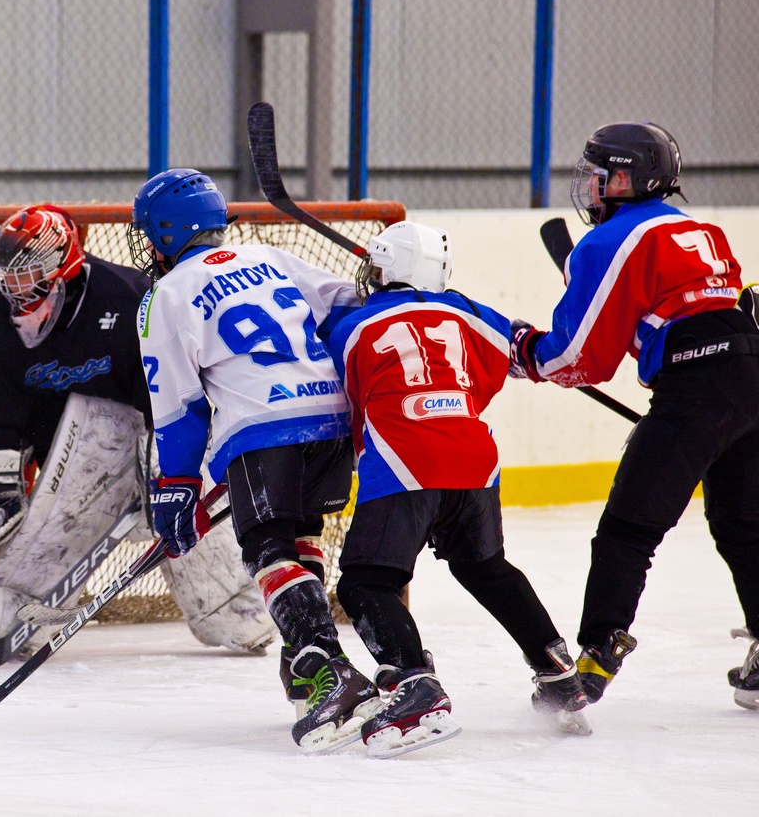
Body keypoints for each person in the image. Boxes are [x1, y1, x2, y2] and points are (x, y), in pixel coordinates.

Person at [0, 204, 275, 657]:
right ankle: (37, 609)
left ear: (64, 263)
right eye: (8, 276)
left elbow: (175, 383)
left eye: (29, 273)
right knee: (1, 618)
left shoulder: (129, 297)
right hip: (75, 461)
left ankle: (233, 604)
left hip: (159, 443)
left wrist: (167, 462)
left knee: (241, 624)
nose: (17, 287)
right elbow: (0, 414)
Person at [508, 122, 759, 710]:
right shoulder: (701, 228)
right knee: (744, 524)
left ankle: (592, 664)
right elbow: (675, 317)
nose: (590, 187)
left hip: (697, 387)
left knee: (628, 531)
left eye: (601, 176)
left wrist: (524, 354)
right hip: (752, 373)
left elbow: (579, 358)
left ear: (628, 179)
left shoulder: (608, 243)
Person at [129, 167, 380, 753]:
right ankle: (304, 664)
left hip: (261, 427)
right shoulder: (272, 256)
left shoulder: (162, 298)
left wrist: (177, 487)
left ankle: (332, 672)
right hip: (333, 418)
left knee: (268, 549)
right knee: (301, 536)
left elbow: (180, 411)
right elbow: (348, 307)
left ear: (166, 234)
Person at [325, 221, 591, 758]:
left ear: (386, 272)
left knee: (364, 583)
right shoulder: (474, 315)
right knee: (485, 568)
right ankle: (558, 669)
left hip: (404, 461)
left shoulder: (349, 325)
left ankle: (412, 681)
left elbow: (329, 396)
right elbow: (535, 355)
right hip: (474, 461)